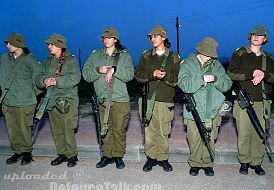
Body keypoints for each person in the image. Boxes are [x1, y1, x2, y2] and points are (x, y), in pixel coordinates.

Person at [227, 25, 274, 175]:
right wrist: (251, 73)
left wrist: (264, 75)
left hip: (262, 102)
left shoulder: (268, 58)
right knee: (244, 133)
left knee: (259, 133)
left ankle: (257, 162)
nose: (256, 37)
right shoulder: (240, 53)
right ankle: (244, 162)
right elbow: (230, 73)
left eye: (260, 35)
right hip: (243, 100)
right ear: (250, 36)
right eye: (254, 34)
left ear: (265, 39)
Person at [178, 37, 232, 176]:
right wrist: (201, 80)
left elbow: (227, 84)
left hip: (212, 109)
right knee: (194, 138)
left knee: (210, 137)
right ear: (200, 50)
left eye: (211, 54)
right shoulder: (187, 63)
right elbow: (184, 85)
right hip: (194, 108)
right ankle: (195, 163)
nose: (209, 56)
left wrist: (216, 79)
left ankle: (208, 164)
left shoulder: (217, 65)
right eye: (207, 53)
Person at [82, 28, 134, 169]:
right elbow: (86, 74)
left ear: (115, 40)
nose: (106, 39)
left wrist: (114, 70)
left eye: (109, 37)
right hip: (103, 99)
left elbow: (130, 75)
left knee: (118, 129)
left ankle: (118, 156)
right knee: (105, 128)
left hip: (120, 99)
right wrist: (98, 70)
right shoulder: (95, 55)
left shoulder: (124, 56)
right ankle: (107, 155)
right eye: (104, 37)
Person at [135, 24, 181, 172]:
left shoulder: (173, 57)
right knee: (149, 131)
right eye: (151, 37)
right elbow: (138, 75)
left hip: (165, 100)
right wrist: (152, 75)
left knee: (163, 131)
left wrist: (166, 76)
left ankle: (163, 158)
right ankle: (151, 158)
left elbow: (177, 79)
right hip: (147, 99)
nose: (153, 39)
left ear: (163, 37)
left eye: (156, 36)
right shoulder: (146, 55)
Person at [35, 33, 81, 167]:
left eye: (51, 44)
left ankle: (72, 155)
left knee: (68, 129)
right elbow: (38, 76)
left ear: (59, 45)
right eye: (49, 44)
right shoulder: (47, 61)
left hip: (67, 101)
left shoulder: (71, 60)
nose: (49, 46)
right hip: (51, 101)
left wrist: (56, 81)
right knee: (57, 130)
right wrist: (44, 80)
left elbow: (75, 78)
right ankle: (62, 154)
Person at [0, 32, 42, 165]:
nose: (7, 46)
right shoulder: (5, 58)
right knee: (12, 129)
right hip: (8, 101)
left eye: (10, 43)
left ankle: (27, 153)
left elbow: (39, 77)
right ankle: (17, 152)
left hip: (25, 102)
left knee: (25, 129)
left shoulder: (30, 59)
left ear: (18, 44)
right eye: (7, 43)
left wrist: (29, 94)